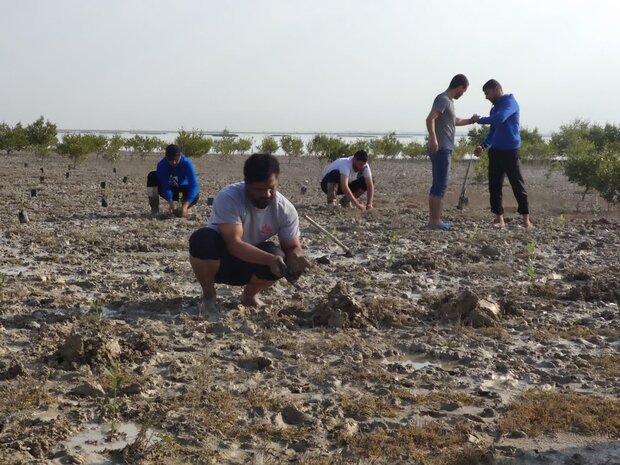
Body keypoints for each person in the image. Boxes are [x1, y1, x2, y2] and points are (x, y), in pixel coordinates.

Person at [189, 153, 309, 310]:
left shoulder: (285, 209)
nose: (266, 194)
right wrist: (270, 260)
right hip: (219, 261)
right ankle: (209, 295)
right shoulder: (229, 197)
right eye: (259, 189)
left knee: (280, 255)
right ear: (246, 184)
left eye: (271, 188)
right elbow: (234, 244)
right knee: (202, 240)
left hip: (252, 265)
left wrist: (296, 258)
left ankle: (250, 296)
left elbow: (292, 246)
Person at [472, 79, 533, 228]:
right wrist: (483, 145)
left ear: (496, 89)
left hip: (510, 152)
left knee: (517, 184)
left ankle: (526, 220)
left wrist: (479, 120)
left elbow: (500, 118)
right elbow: (493, 131)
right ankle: (499, 218)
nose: (486, 97)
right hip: (496, 152)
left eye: (487, 93)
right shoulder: (494, 108)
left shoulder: (510, 103)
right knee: (494, 186)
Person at [425, 74, 477, 230]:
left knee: (437, 185)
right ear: (460, 87)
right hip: (441, 148)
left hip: (443, 147)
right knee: (441, 185)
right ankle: (435, 221)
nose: (463, 94)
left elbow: (453, 121)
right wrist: (433, 138)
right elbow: (430, 119)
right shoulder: (443, 99)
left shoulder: (449, 103)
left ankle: (433, 220)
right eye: (464, 90)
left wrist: (470, 120)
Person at [147, 144, 199, 217]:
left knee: (195, 195)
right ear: (166, 158)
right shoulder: (162, 165)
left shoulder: (187, 164)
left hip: (182, 193)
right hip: (170, 189)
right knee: (152, 176)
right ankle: (154, 208)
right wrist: (170, 203)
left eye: (176, 160)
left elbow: (194, 186)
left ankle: (184, 207)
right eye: (170, 160)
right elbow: (165, 185)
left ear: (180, 156)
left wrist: (185, 206)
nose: (173, 162)